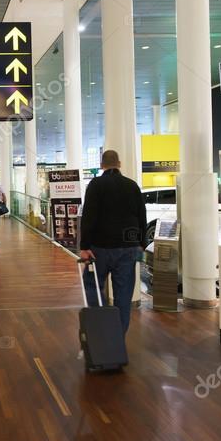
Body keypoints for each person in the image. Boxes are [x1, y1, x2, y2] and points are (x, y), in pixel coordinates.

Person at [78, 149, 147, 365]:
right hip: (128, 249)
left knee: (92, 287)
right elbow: (142, 215)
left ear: (102, 165)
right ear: (119, 163)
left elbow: (89, 216)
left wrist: (84, 246)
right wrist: (141, 243)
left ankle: (99, 333)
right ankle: (116, 341)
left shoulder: (96, 185)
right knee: (123, 297)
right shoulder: (132, 185)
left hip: (100, 248)